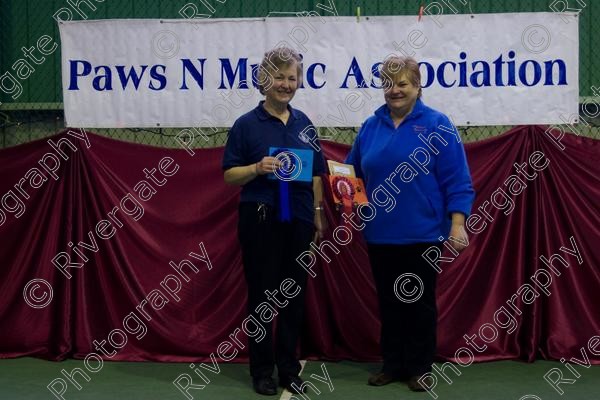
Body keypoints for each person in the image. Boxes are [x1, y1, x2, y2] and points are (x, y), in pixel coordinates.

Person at [345, 56, 474, 391]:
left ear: (417, 86)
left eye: (402, 83)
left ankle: (420, 367)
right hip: (380, 234)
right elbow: (351, 173)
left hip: (423, 234)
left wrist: (457, 225)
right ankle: (392, 364)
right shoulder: (371, 127)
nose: (395, 90)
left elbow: (458, 179)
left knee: (418, 303)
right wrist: (347, 199)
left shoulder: (437, 124)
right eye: (388, 83)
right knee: (389, 302)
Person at [222, 47, 326, 396]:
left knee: (294, 296)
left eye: (291, 77)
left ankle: (289, 369)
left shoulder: (304, 124)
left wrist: (317, 214)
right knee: (263, 297)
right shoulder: (245, 125)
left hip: (298, 219)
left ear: (299, 81)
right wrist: (255, 169)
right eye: (279, 77)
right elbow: (229, 176)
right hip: (260, 218)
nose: (286, 84)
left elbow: (315, 175)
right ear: (264, 81)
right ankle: (262, 370)